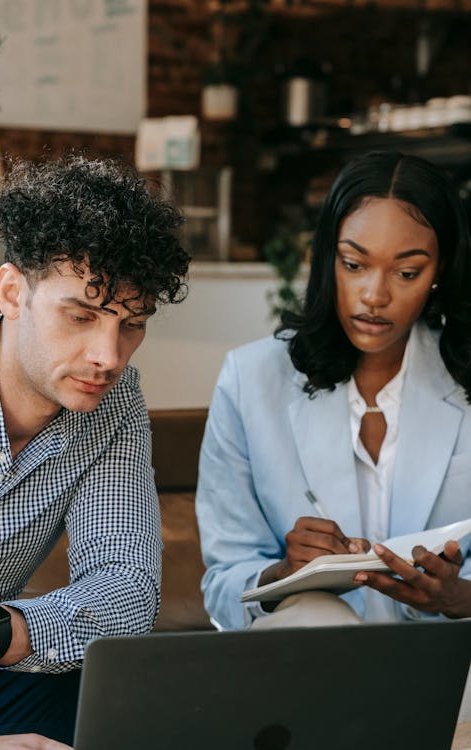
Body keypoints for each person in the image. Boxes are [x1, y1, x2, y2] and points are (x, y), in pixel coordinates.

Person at [196, 149, 471, 632]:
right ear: (327, 258)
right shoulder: (250, 380)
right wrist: (282, 574)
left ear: (439, 272)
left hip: (452, 658)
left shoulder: (463, 377)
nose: (374, 295)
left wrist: (458, 596)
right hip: (314, 658)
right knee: (313, 620)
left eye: (407, 273)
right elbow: (223, 582)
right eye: (354, 264)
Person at [0, 154, 190, 748]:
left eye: (132, 323)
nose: (109, 356)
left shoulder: (113, 405)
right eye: (81, 316)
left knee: (137, 704)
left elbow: (124, 590)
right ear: (13, 292)